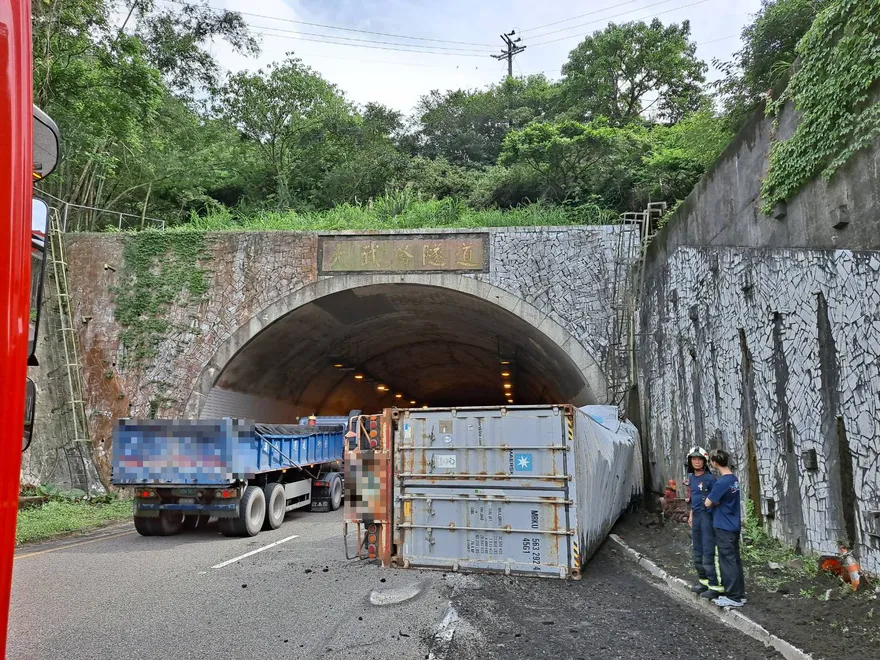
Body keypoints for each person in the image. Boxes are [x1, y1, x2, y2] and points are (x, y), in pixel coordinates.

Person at [704, 448, 746, 607]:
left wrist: (714, 501)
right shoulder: (733, 479)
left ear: (714, 463)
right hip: (733, 524)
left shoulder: (722, 482)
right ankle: (740, 594)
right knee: (735, 560)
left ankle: (733, 597)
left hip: (723, 525)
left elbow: (708, 502)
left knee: (727, 561)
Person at [684, 447, 723, 599]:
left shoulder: (710, 479)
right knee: (697, 550)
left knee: (709, 550)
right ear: (690, 461)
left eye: (699, 459)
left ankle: (715, 586)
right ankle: (704, 582)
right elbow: (694, 498)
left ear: (705, 461)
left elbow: (716, 500)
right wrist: (691, 515)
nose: (697, 462)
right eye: (694, 459)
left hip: (708, 518)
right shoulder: (692, 478)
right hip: (697, 518)